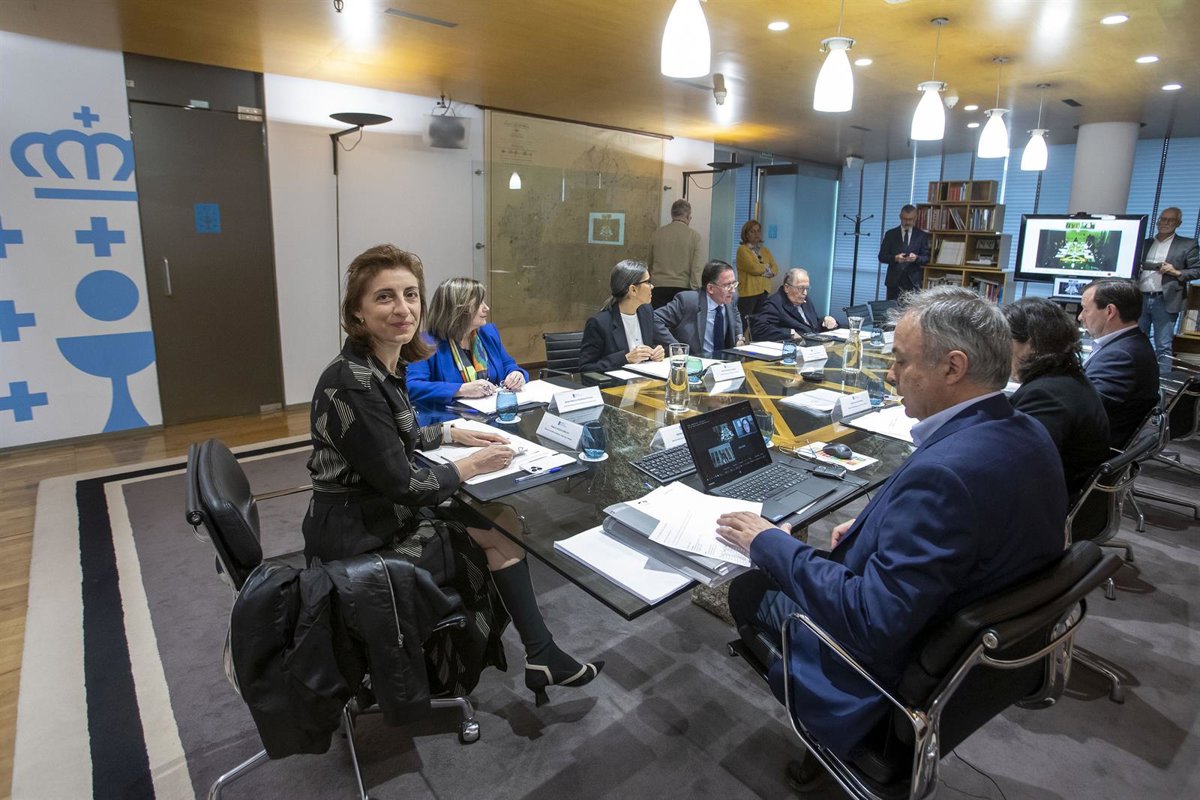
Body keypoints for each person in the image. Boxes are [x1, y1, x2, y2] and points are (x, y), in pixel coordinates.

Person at [719, 286, 1064, 788]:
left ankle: (827, 729)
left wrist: (768, 542)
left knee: (750, 588)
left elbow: (869, 623)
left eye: (901, 361)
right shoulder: (1028, 431)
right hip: (976, 654)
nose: (889, 374)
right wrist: (873, 526)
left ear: (953, 367)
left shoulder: (946, 475)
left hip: (894, 674)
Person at [303, 245, 601, 704]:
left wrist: (448, 433)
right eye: (384, 297)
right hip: (360, 536)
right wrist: (470, 465)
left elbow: (394, 438)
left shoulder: (381, 366)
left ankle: (541, 654)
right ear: (357, 312)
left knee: (503, 520)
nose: (403, 308)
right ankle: (536, 653)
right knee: (498, 530)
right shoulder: (353, 383)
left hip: (378, 513)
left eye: (410, 295)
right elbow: (405, 484)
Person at [1002, 298, 1110, 499]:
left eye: (1005, 339)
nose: (1000, 350)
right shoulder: (1068, 378)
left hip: (1050, 504)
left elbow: (1017, 467)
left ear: (1031, 344)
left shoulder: (1046, 395)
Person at [406, 277, 528, 408]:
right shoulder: (426, 342)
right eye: (479, 303)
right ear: (458, 308)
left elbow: (508, 364)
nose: (486, 308)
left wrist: (517, 375)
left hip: (493, 411)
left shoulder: (488, 333)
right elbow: (412, 387)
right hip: (451, 417)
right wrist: (461, 389)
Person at [1079, 279, 1159, 450]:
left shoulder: (1121, 356)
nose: (1080, 317)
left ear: (1110, 311)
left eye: (1086, 309)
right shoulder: (1131, 343)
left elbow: (1083, 410)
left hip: (1086, 450)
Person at [1136, 206, 1200, 373]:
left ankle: (1163, 383)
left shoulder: (1187, 244)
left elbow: (1197, 270)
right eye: (1163, 219)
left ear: (1178, 223)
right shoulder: (1144, 243)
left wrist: (1175, 271)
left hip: (1165, 300)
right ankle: (1138, 378)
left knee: (1163, 345)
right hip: (1140, 298)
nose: (1165, 223)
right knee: (1136, 343)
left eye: (1171, 220)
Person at [579, 260, 666, 372]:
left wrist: (657, 352)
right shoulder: (599, 323)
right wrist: (625, 359)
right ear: (633, 290)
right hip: (616, 382)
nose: (652, 286)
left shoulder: (646, 312)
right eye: (648, 282)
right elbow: (586, 368)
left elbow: (654, 346)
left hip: (645, 378)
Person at [653, 259, 744, 357]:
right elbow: (654, 318)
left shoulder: (731, 299)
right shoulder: (688, 301)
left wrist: (739, 337)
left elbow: (735, 319)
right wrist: (675, 346)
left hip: (725, 363)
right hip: (694, 361)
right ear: (710, 288)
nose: (733, 290)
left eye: (734, 284)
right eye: (727, 285)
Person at [751, 268, 838, 341]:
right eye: (800, 288)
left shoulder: (805, 300)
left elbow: (811, 327)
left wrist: (825, 322)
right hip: (792, 349)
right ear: (787, 288)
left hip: (813, 346)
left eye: (807, 288)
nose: (805, 293)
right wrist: (789, 333)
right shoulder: (774, 304)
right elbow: (759, 330)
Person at [648, 199, 706, 309]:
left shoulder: (656, 235)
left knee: (659, 318)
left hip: (658, 288)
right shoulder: (695, 237)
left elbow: (649, 263)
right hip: (683, 289)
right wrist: (696, 292)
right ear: (688, 216)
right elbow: (697, 269)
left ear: (672, 214)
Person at [878, 204, 930, 300]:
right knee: (892, 308)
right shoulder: (890, 234)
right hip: (894, 282)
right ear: (900, 217)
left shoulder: (922, 235)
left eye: (910, 219)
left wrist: (916, 258)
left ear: (915, 218)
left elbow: (926, 258)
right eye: (905, 219)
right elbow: (881, 257)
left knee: (911, 308)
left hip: (913, 282)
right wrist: (895, 258)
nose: (907, 222)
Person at [735, 220, 778, 318]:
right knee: (745, 323)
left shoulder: (765, 250)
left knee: (759, 322)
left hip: (764, 292)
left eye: (758, 231)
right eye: (752, 231)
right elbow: (753, 268)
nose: (756, 234)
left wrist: (763, 270)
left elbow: (775, 269)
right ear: (746, 234)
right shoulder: (742, 250)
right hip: (748, 293)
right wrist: (767, 268)